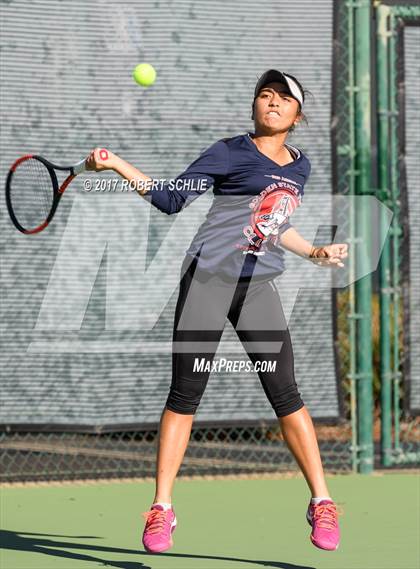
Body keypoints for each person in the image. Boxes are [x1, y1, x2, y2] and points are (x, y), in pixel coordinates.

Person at [86, 69, 347, 553]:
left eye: (283, 98)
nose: (272, 103)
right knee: (185, 393)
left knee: (286, 392)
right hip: (207, 280)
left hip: (258, 288)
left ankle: (322, 501)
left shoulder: (300, 166)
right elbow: (170, 199)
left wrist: (312, 251)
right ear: (255, 107)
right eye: (264, 96)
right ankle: (162, 508)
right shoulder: (229, 151)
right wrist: (117, 164)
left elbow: (270, 222)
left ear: (297, 113)